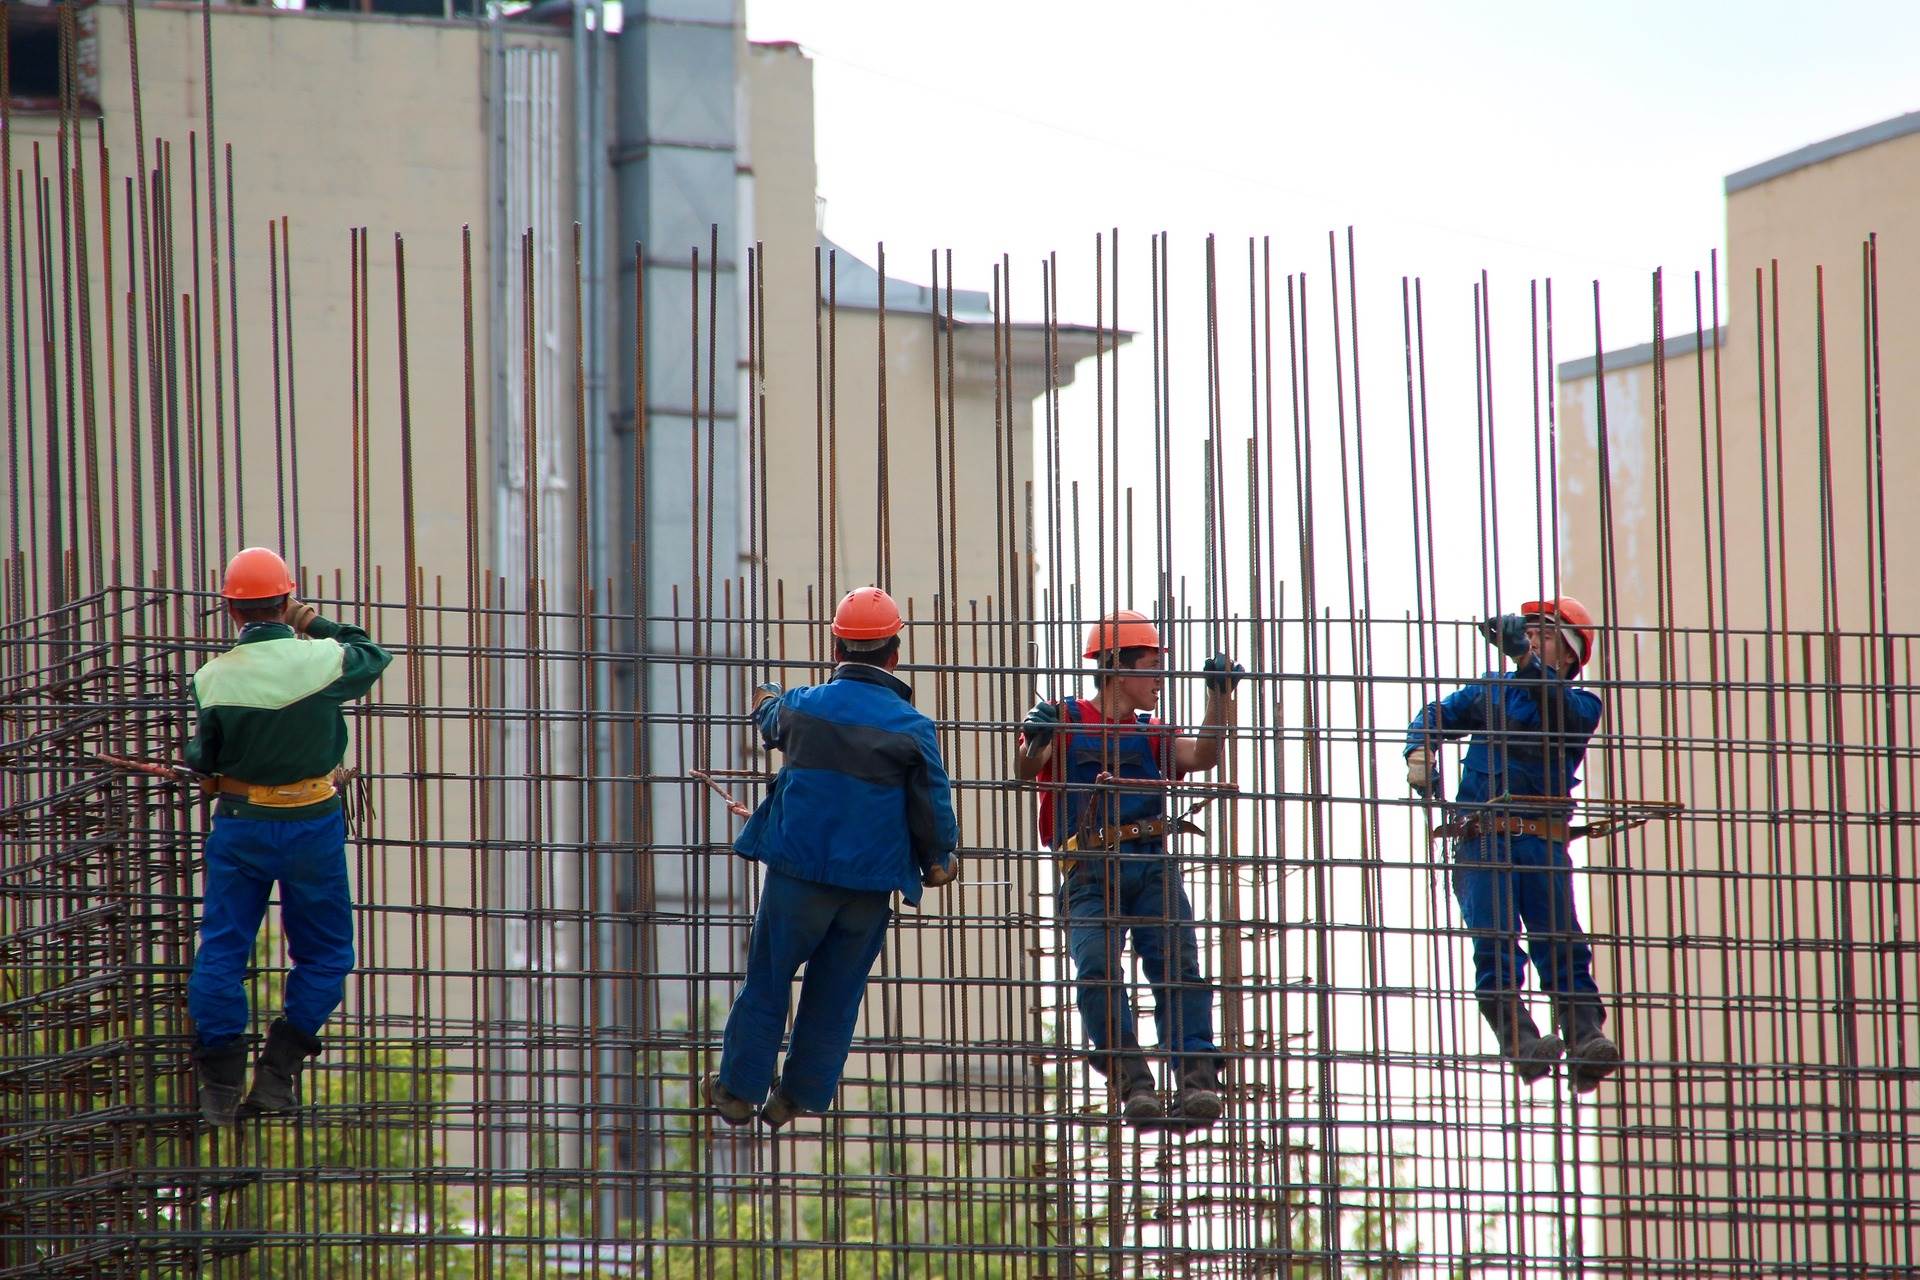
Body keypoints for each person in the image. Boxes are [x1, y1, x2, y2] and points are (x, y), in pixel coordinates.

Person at [707, 586, 961, 1129]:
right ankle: (797, 1097)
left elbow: (770, 720)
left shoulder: (803, 706)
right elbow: (933, 802)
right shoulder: (914, 727)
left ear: (836, 650)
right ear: (894, 656)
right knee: (836, 995)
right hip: (868, 888)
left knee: (769, 980)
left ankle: (737, 1090)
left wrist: (765, 695)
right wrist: (940, 857)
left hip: (799, 877)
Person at [185, 547, 392, 1125]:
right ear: (287, 598)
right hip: (311, 823)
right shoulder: (323, 660)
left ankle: (220, 1084)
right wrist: (311, 621)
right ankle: (278, 1072)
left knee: (223, 949)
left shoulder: (212, 678)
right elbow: (373, 653)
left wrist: (207, 768)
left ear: (229, 608)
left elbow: (206, 756)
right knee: (326, 954)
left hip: (242, 823)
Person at [1018, 610, 1244, 1125]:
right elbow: (1027, 768)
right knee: (1095, 968)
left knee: (1177, 966)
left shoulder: (1155, 733)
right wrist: (1036, 737)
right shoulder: (1065, 718)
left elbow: (1205, 754)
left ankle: (1196, 1080)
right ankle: (1132, 1081)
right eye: (1151, 667)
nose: (1160, 680)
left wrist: (1220, 696)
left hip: (1151, 866)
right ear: (1117, 669)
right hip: (1088, 869)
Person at [1404, 595, 1620, 1092]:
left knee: (1560, 941)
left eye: (1543, 634)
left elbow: (1554, 704)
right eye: (1528, 633)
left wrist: (1524, 659)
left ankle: (1585, 1037)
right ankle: (1521, 1043)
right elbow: (1437, 712)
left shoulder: (1581, 704)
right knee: (1495, 944)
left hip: (1540, 842)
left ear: (1569, 654)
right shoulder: (1491, 693)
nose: (1530, 640)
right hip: (1483, 842)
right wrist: (1420, 748)